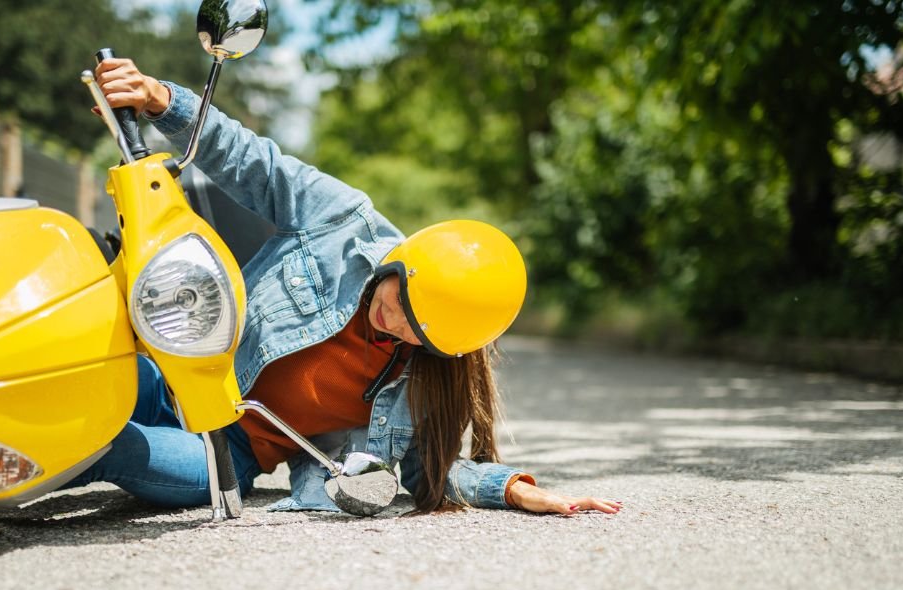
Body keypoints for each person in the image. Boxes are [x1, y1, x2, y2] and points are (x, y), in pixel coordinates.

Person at [67, 58, 623, 517]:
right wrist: (162, 99)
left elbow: (426, 470)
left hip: (224, 449)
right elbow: (253, 163)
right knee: (60, 375)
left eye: (417, 332)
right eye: (403, 299)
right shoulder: (344, 221)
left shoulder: (423, 376)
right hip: (172, 368)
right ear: (403, 264)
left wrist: (513, 489)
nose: (394, 323)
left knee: (96, 443)